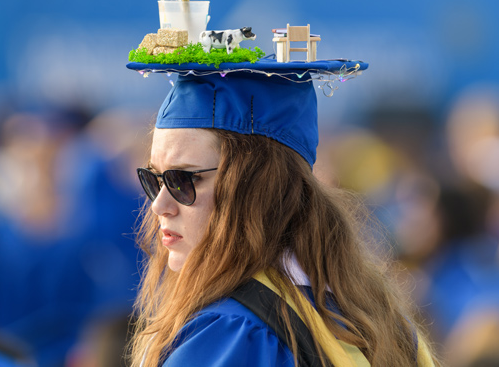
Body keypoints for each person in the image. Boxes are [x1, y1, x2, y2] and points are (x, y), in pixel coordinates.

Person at [125, 56, 438, 367]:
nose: (159, 205)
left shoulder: (234, 334)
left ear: (258, 188)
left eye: (184, 179)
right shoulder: (382, 324)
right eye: (154, 179)